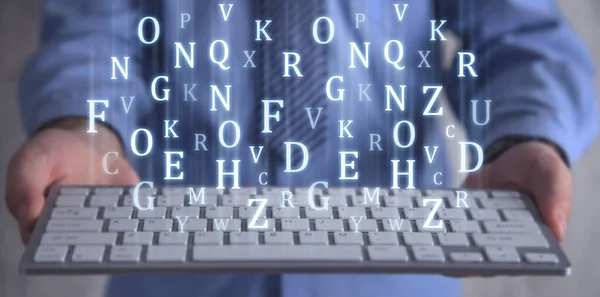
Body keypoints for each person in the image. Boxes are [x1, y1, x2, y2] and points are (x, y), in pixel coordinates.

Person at [6, 0, 598, 296]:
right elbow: (97, 28)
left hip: (397, 265)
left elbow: (515, 36)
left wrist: (526, 137)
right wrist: (81, 122)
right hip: (173, 263)